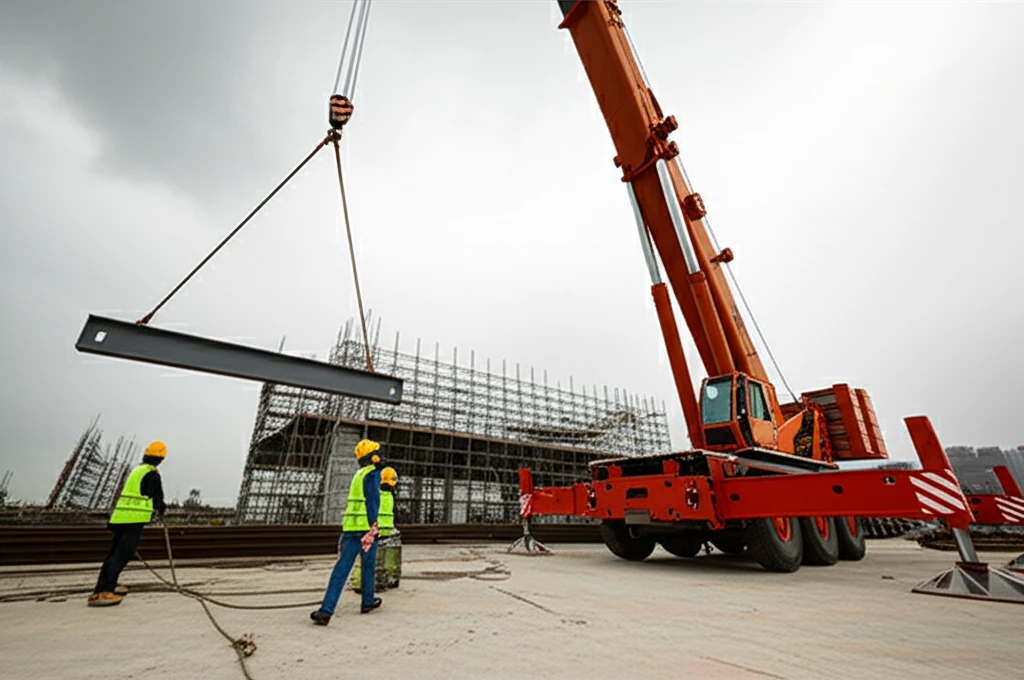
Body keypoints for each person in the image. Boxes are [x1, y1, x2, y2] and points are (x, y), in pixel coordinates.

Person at [310, 439, 384, 625]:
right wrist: (374, 527)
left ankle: (326, 610)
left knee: (341, 569)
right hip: (366, 531)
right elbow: (372, 502)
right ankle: (367, 602)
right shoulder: (373, 475)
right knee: (368, 567)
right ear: (373, 456)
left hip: (350, 529)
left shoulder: (358, 475)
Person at [88, 440, 168, 607]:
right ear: (161, 459)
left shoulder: (138, 470)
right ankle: (104, 591)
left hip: (121, 518)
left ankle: (105, 586)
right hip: (133, 519)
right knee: (122, 554)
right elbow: (156, 497)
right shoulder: (152, 473)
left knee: (115, 553)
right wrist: (160, 509)